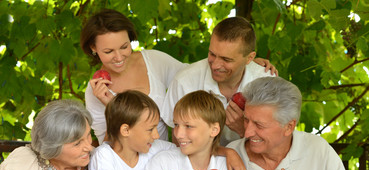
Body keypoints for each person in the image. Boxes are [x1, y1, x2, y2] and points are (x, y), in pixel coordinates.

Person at [80, 9, 276, 145]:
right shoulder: (96, 90)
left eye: (124, 46)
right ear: (93, 49)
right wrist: (111, 107)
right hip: (124, 164)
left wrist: (248, 63)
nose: (119, 57)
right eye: (108, 51)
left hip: (161, 154)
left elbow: (197, 73)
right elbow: (105, 145)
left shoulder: (154, 61)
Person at [227, 76, 367, 170]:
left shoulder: (316, 148)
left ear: (289, 127)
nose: (247, 132)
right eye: (246, 120)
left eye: (259, 125)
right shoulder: (230, 154)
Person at [162, 16, 277, 146]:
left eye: (226, 60)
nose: (215, 65)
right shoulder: (185, 82)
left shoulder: (267, 84)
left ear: (249, 58)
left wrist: (244, 129)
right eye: (212, 54)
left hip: (251, 161)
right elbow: (179, 142)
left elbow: (274, 144)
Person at [134, 90, 244, 170]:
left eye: (188, 126)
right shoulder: (163, 161)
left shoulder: (226, 165)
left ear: (214, 130)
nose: (178, 134)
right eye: (176, 124)